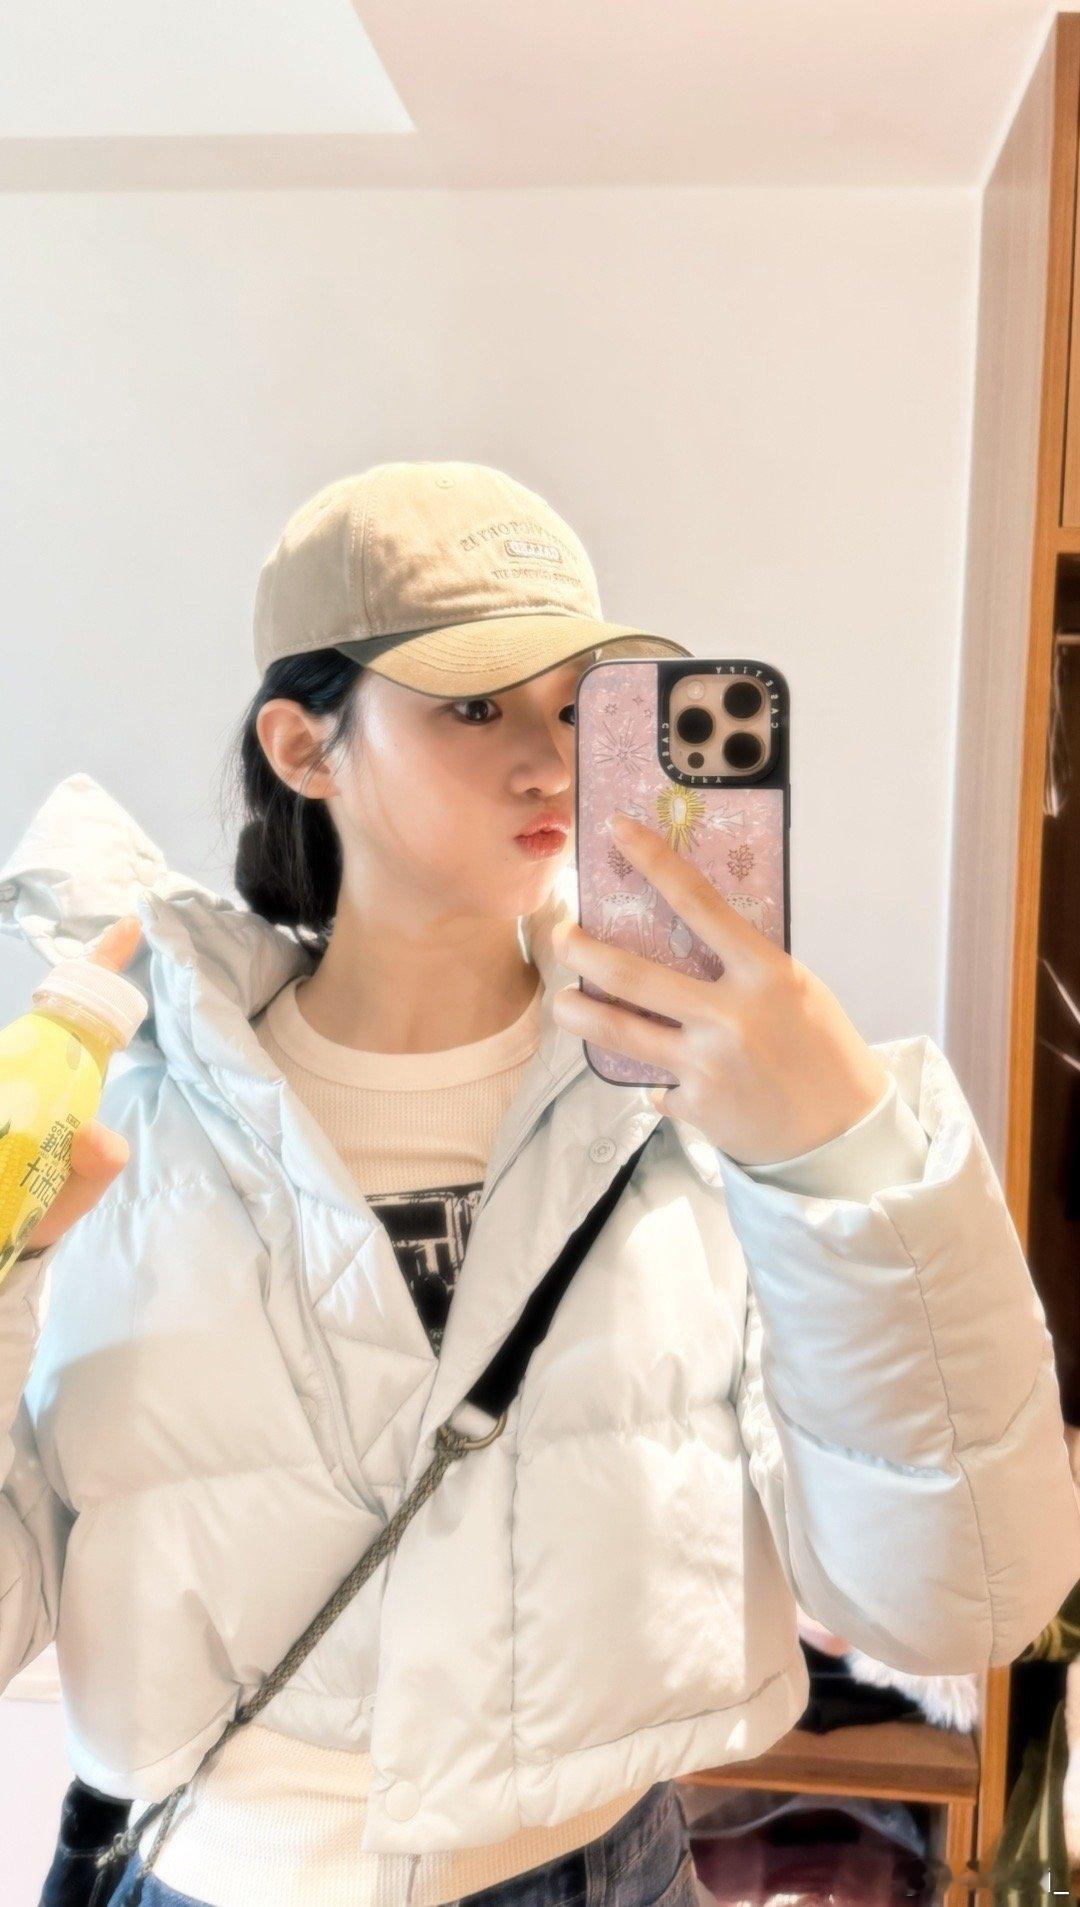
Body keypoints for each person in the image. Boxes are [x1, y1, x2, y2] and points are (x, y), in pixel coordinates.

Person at [1, 458, 1077, 1907]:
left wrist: (843, 1155)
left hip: (606, 1871)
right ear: (305, 748)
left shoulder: (703, 1108)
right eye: (473, 707)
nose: (553, 762)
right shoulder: (119, 1120)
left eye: (579, 709)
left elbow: (961, 1600)